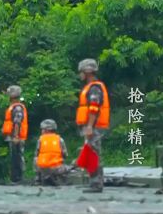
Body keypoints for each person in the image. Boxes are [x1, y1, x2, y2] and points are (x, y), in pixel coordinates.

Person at [76, 58, 110, 193]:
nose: (80, 74)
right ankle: (93, 182)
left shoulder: (95, 88)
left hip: (94, 126)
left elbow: (94, 108)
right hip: (91, 125)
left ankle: (96, 184)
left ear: (88, 71)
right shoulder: (91, 87)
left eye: (81, 71)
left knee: (94, 154)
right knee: (91, 153)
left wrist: (89, 126)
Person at [1, 85, 28, 183]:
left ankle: (18, 179)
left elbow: (17, 122)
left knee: (17, 158)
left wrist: (16, 136)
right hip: (13, 137)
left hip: (16, 137)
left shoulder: (17, 107)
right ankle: (15, 178)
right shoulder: (14, 106)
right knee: (14, 158)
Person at [34, 119, 69, 186]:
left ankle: (38, 179)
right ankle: (62, 179)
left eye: (42, 129)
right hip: (57, 169)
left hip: (43, 169)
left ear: (46, 130)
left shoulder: (40, 139)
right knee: (66, 165)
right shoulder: (60, 139)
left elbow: (37, 153)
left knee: (36, 159)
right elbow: (65, 154)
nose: (41, 131)